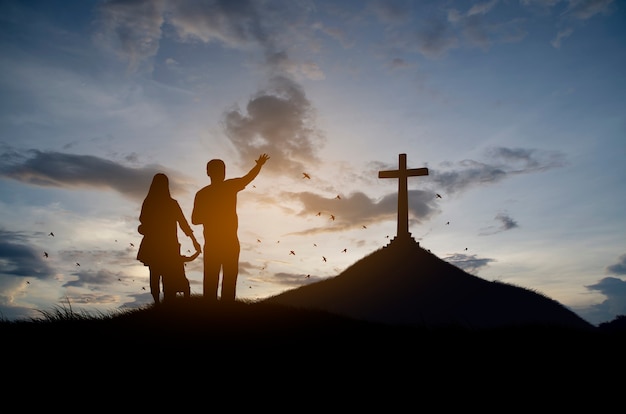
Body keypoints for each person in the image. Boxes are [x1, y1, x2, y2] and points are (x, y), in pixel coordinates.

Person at [192, 153, 270, 302]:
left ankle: (217, 310)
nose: (222, 172)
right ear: (210, 172)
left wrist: (258, 165)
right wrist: (259, 165)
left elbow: (195, 219)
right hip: (224, 242)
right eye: (220, 170)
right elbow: (195, 219)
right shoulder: (226, 187)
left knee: (215, 278)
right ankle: (222, 310)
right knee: (222, 278)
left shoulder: (203, 193)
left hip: (220, 242)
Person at [137, 173, 201, 305]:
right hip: (169, 246)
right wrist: (194, 240)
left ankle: (158, 304)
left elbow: (142, 220)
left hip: (153, 245)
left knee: (154, 276)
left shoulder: (148, 202)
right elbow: (184, 224)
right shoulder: (172, 204)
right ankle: (166, 304)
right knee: (167, 277)